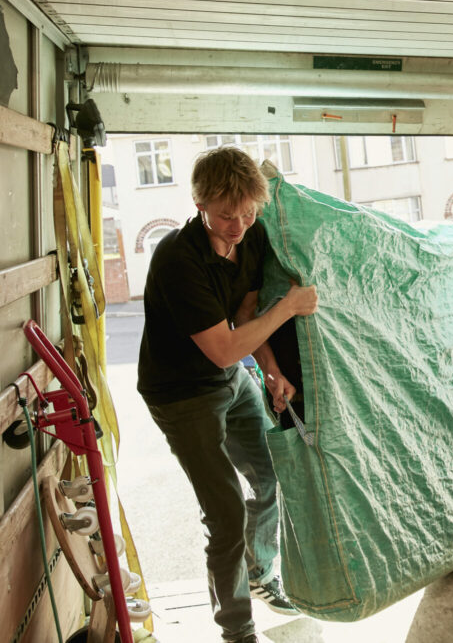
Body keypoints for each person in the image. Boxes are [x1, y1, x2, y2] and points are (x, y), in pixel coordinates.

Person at [137, 146, 317, 643]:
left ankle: (259, 574)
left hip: (231, 377)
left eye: (247, 213)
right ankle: (237, 630)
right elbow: (220, 349)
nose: (238, 226)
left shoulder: (252, 237)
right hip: (180, 393)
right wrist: (292, 308)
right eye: (225, 216)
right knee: (225, 512)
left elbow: (244, 319)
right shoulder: (177, 257)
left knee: (270, 475)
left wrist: (273, 372)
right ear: (198, 204)